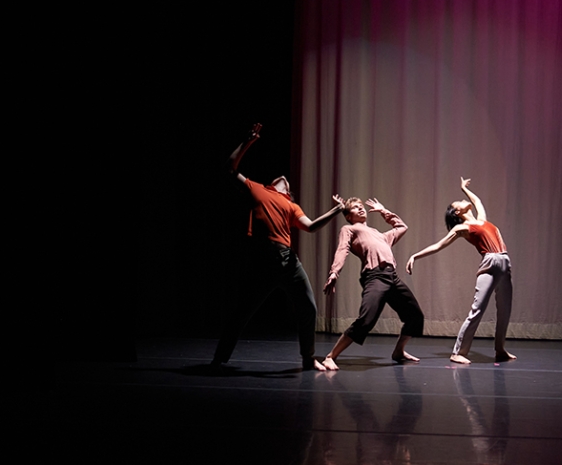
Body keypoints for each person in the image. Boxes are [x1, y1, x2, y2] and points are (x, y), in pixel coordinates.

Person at [210, 123, 345, 371]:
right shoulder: (258, 189)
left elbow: (312, 226)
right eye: (280, 179)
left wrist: (336, 210)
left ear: (289, 192)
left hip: (288, 260)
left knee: (308, 306)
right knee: (243, 311)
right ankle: (219, 359)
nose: (284, 178)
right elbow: (229, 168)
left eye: (287, 182)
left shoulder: (291, 206)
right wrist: (247, 142)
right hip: (264, 258)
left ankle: (308, 358)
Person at [406, 178, 515, 364]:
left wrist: (464, 189)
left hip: (505, 262)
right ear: (457, 212)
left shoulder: (482, 220)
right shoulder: (462, 228)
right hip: (490, 263)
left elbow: (477, 202)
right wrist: (415, 256)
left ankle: (500, 350)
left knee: (505, 310)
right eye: (460, 202)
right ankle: (458, 352)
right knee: (477, 309)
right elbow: (439, 245)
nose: (464, 202)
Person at [321, 197, 425, 370]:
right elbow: (342, 250)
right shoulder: (349, 229)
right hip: (375, 276)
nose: (361, 209)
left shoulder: (380, 235)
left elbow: (401, 227)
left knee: (415, 315)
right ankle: (330, 356)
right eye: (355, 208)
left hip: (392, 277)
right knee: (366, 320)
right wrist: (334, 272)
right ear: (348, 216)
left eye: (361, 206)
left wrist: (383, 210)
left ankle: (399, 351)